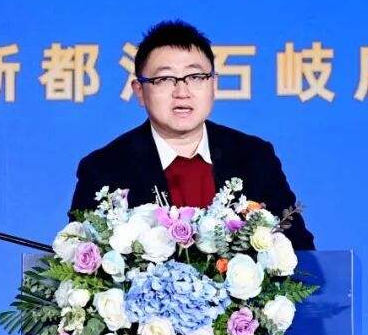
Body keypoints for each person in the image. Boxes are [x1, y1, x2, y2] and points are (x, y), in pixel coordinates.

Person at [69, 20, 315, 250]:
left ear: (214, 84)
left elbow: (301, 251)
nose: (182, 92)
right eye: (164, 79)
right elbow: (79, 259)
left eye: (196, 77)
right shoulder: (104, 169)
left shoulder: (254, 157)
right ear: (140, 91)